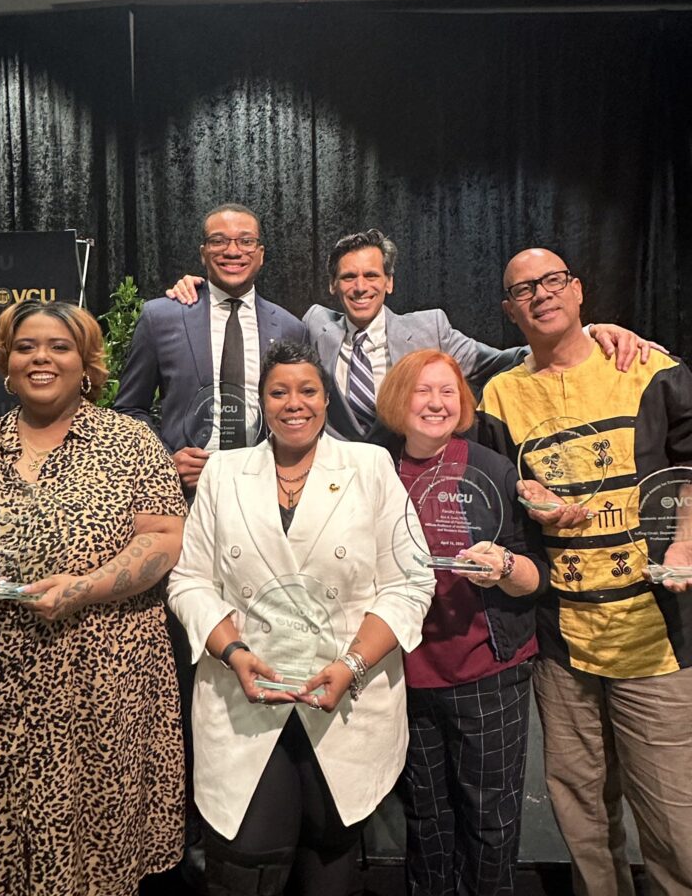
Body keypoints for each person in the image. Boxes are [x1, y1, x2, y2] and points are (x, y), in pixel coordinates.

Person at [0, 299, 187, 896]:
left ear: (88, 363)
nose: (41, 358)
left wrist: (84, 588)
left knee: (93, 862)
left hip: (98, 700)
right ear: (5, 363)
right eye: (26, 347)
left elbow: (164, 538)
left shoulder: (132, 446)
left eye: (60, 347)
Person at [166, 340, 434, 896]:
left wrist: (353, 664)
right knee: (244, 860)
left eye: (307, 390)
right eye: (279, 391)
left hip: (344, 699)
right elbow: (189, 580)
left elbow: (410, 582)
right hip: (245, 697)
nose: (295, 403)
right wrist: (234, 654)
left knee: (330, 850)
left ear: (326, 399)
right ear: (262, 401)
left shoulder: (369, 465)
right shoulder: (224, 473)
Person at [477, 248, 692, 896]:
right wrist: (528, 497)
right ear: (511, 312)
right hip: (562, 644)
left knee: (673, 820)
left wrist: (682, 546)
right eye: (524, 289)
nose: (541, 294)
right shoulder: (499, 394)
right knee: (581, 812)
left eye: (552, 281)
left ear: (577, 290)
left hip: (653, 637)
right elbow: (499, 490)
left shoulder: (646, 366)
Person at [168, 228, 657, 444]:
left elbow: (506, 359)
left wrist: (587, 331)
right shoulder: (313, 324)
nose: (361, 287)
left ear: (389, 282)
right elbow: (254, 322)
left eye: (371, 276)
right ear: (334, 287)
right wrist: (198, 288)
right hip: (333, 477)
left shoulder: (430, 328)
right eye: (349, 278)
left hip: (411, 473)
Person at [376, 349, 548, 896]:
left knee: (490, 819)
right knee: (426, 817)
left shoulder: (492, 467)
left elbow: (535, 572)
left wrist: (503, 568)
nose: (436, 402)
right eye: (423, 391)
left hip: (488, 672)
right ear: (397, 401)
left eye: (448, 391)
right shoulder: (372, 470)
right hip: (405, 676)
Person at [114, 203, 307, 495]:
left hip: (266, 491)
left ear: (261, 254)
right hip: (185, 494)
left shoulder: (290, 328)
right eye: (218, 241)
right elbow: (129, 409)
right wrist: (164, 460)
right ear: (203, 252)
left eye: (246, 241)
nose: (232, 251)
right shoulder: (161, 318)